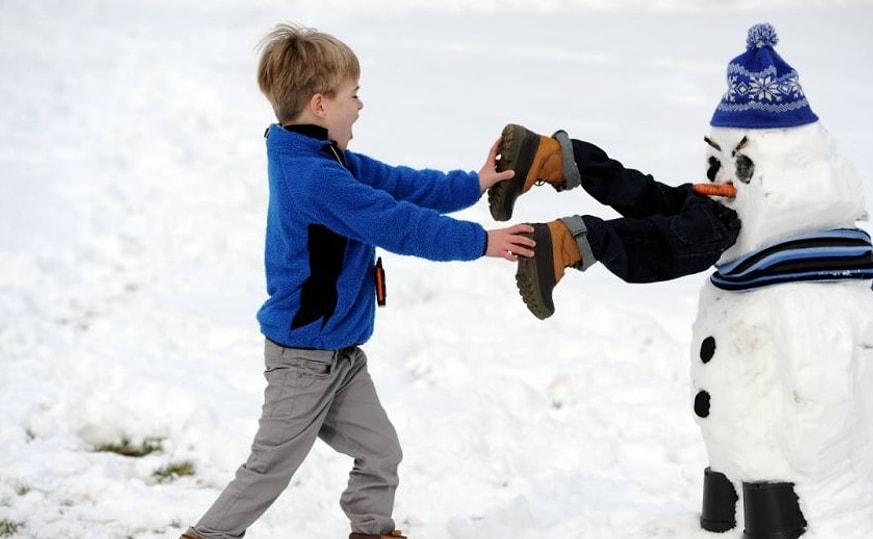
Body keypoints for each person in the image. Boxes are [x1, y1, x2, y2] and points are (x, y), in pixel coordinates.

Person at [179, 24, 534, 539]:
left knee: (380, 450)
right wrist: (484, 242)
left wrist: (472, 184)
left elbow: (397, 184)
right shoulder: (317, 178)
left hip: (340, 355)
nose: (361, 105)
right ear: (320, 104)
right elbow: (396, 223)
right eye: (354, 94)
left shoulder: (321, 157)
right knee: (268, 471)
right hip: (303, 358)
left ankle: (372, 531)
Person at [489, 123, 741, 319]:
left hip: (747, 152)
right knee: (694, 238)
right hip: (762, 187)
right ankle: (569, 241)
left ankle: (550, 157)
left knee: (669, 207)